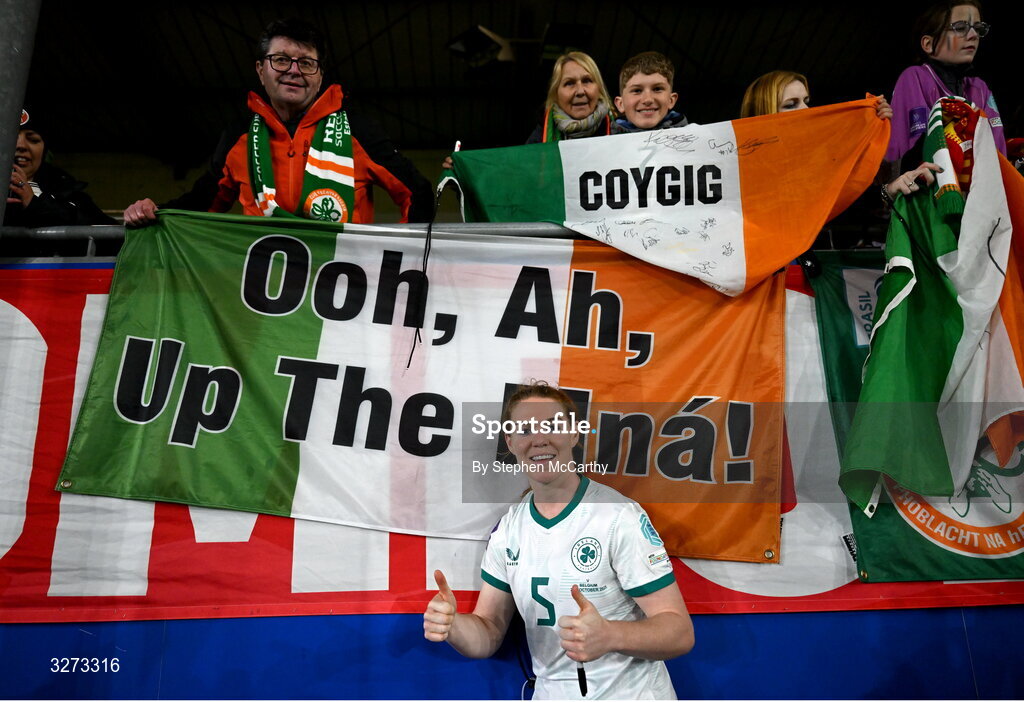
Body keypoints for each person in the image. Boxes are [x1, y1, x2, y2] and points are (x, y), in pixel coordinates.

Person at [423, 381, 694, 699]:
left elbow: (679, 632)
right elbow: (489, 630)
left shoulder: (617, 516)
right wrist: (453, 627)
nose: (538, 439)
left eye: (552, 426)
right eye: (524, 430)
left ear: (574, 434)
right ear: (510, 442)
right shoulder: (509, 530)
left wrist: (610, 635)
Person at [123, 18, 433, 226]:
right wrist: (155, 211)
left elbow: (416, 191)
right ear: (260, 69)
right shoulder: (239, 136)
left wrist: (406, 261)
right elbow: (203, 203)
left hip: (343, 299)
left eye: (307, 63)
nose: (294, 71)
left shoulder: (359, 130)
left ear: (320, 74)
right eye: (281, 60)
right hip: (264, 298)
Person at [739, 70, 942, 202]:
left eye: (806, 101)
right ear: (764, 113)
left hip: (803, 267)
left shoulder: (818, 161)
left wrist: (890, 188)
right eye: (791, 104)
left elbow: (846, 199)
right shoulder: (736, 171)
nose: (806, 109)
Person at [887, 1, 1004, 167]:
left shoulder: (980, 89)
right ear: (928, 44)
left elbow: (998, 153)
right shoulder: (915, 77)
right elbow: (911, 150)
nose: (973, 35)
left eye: (978, 28)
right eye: (961, 27)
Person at [6, 108, 114, 229]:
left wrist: (34, 204)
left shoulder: (66, 191)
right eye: (10, 137)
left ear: (44, 151)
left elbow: (108, 232)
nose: (20, 146)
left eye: (33, 140)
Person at [526, 52, 615, 143]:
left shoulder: (618, 131)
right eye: (569, 83)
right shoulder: (539, 137)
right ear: (556, 94)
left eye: (587, 81)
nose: (580, 91)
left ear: (599, 89)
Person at [611, 51, 689, 134]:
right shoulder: (603, 144)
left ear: (671, 100)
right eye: (637, 91)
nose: (647, 99)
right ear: (620, 104)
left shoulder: (698, 140)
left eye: (657, 89)